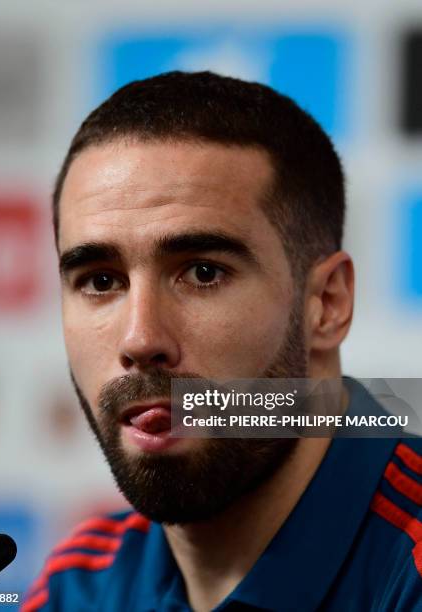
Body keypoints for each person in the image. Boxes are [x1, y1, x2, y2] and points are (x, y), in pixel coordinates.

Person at [21, 71, 422, 612]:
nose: (140, 338)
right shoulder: (81, 584)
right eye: (100, 280)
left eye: (204, 272)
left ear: (326, 304)